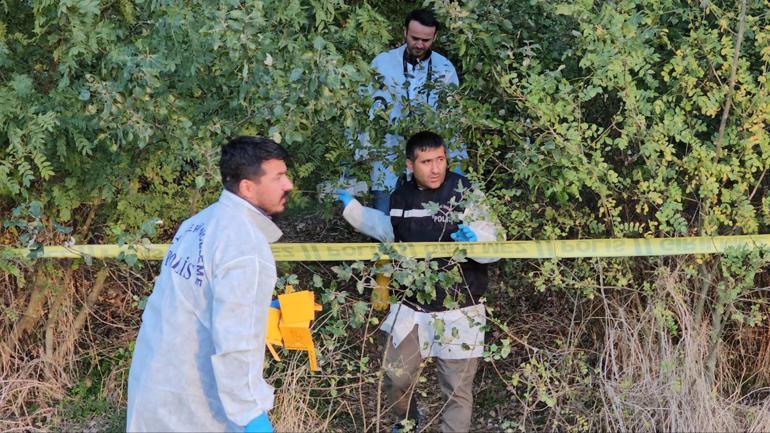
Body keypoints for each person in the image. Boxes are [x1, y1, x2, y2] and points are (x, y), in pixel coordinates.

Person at [126, 136, 294, 433]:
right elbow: (236, 346)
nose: (288, 185)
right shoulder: (246, 246)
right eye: (278, 177)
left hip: (152, 387)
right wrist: (252, 415)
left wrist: (260, 308)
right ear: (247, 187)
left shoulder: (198, 224)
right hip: (195, 408)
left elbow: (189, 298)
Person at [337, 131, 500, 433]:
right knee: (395, 376)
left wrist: (479, 240)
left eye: (440, 159)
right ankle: (407, 424)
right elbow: (389, 231)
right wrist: (353, 210)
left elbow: (494, 242)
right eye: (427, 161)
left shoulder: (464, 191)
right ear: (410, 165)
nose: (436, 168)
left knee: (457, 392)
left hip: (460, 309)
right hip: (412, 308)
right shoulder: (402, 194)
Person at [362, 8, 465, 213]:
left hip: (428, 162)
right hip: (387, 160)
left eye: (426, 40)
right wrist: (363, 152)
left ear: (435, 37)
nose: (419, 44)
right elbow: (366, 114)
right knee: (384, 221)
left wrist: (457, 165)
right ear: (404, 33)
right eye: (414, 38)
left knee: (428, 222)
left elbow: (453, 120)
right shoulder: (381, 64)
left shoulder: (445, 69)